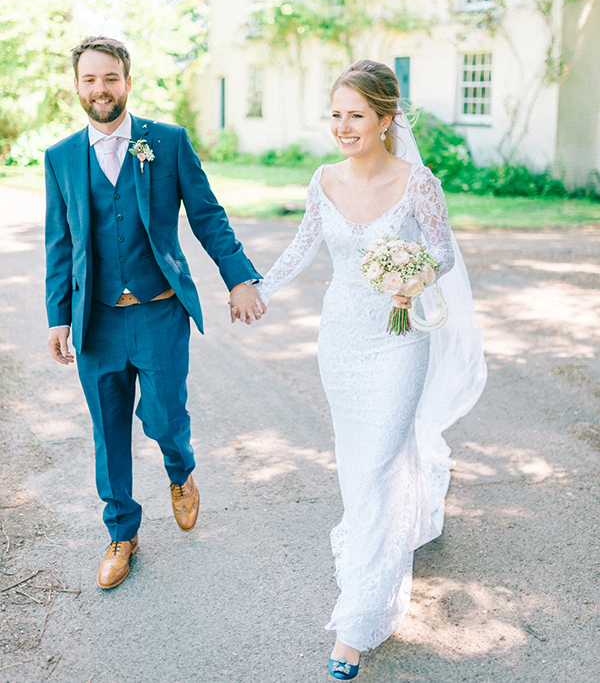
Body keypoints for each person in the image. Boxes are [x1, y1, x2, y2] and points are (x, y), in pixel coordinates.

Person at [247, 60, 487, 679]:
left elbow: (441, 251)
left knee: (380, 458)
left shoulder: (418, 183)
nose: (344, 127)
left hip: (398, 341)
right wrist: (261, 288)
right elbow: (304, 243)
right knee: (359, 461)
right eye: (336, 115)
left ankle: (356, 621)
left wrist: (413, 276)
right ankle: (376, 546)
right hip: (342, 339)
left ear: (386, 119)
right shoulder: (323, 179)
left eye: (357, 115)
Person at [45, 35, 266, 590]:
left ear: (126, 81)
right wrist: (58, 316)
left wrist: (239, 278)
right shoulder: (60, 158)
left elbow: (208, 215)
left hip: (159, 313)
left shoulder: (165, 142)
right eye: (90, 79)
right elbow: (61, 245)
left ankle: (180, 472)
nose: (100, 89)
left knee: (165, 418)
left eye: (110, 78)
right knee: (108, 431)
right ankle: (122, 531)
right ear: (77, 86)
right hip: (97, 321)